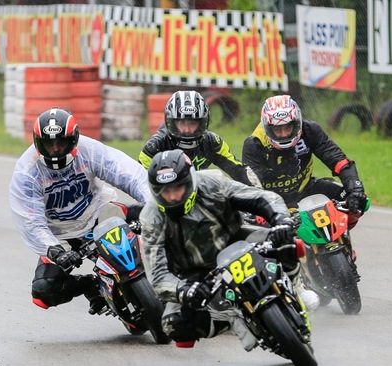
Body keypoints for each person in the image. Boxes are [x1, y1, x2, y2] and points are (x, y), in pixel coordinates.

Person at [140, 149, 302, 349]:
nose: (172, 197)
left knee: (287, 241)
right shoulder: (151, 217)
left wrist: (281, 220)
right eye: (165, 191)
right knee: (172, 325)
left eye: (178, 188)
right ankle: (231, 318)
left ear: (190, 181)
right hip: (195, 273)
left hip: (237, 241)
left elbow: (260, 197)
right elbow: (156, 275)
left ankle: (295, 289)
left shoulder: (212, 182)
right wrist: (183, 291)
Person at [10, 107, 151, 315]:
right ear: (37, 142)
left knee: (163, 221)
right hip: (60, 236)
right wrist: (54, 251)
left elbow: (127, 173)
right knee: (43, 291)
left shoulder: (89, 150)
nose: (56, 149)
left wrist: (152, 203)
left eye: (61, 143)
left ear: (74, 139)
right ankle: (90, 286)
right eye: (49, 144)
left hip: (99, 213)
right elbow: (30, 221)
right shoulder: (26, 172)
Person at [241, 94, 370, 308]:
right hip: (275, 198)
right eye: (277, 129)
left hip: (306, 186)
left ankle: (345, 244)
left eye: (288, 128)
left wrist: (355, 188)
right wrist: (263, 212)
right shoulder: (254, 144)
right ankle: (293, 275)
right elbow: (252, 186)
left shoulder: (311, 131)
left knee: (359, 201)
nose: (283, 134)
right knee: (257, 227)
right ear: (267, 127)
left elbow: (339, 161)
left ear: (297, 122)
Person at [139, 90, 261, 187]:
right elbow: (139, 183)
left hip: (202, 199)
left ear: (203, 122)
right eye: (182, 123)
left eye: (192, 123)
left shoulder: (212, 142)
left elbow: (239, 170)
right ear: (171, 122)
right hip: (167, 201)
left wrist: (258, 197)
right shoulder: (154, 146)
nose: (187, 130)